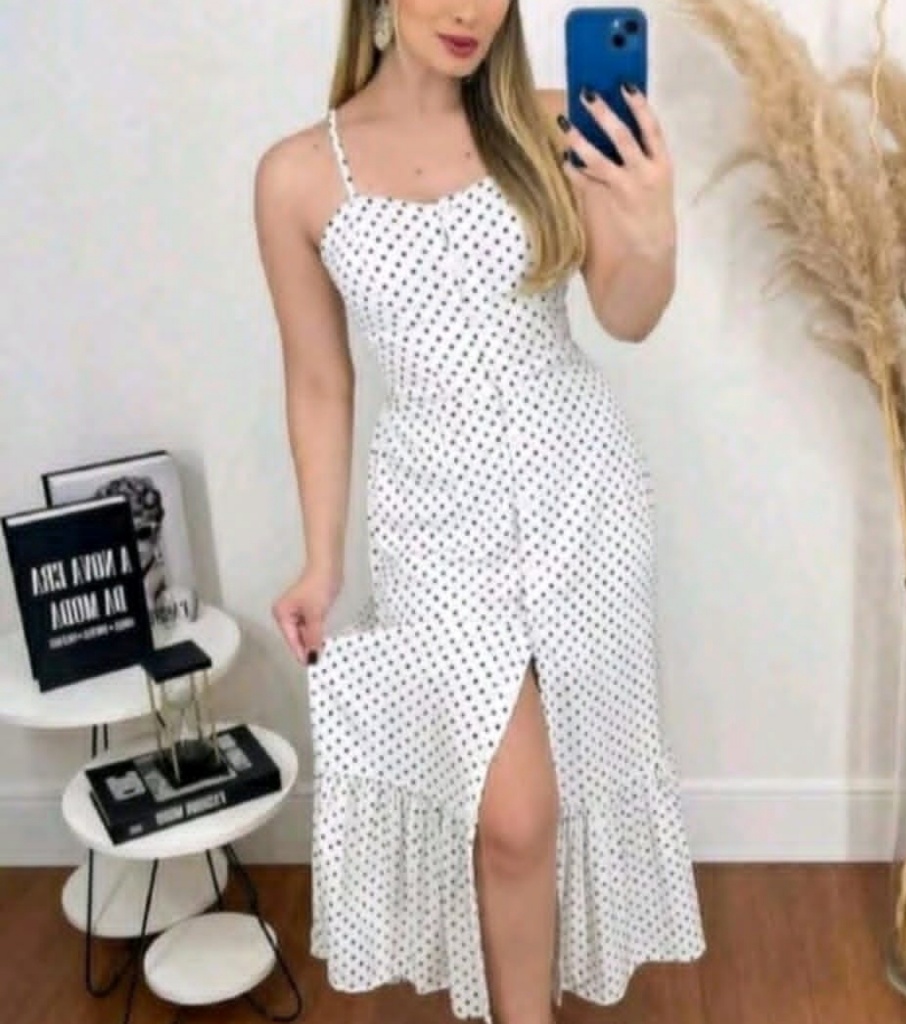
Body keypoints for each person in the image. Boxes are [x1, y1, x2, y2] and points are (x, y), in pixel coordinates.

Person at [254, 2, 705, 1023]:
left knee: (558, 793)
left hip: (581, 494)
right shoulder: (297, 176)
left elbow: (628, 314)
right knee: (510, 816)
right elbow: (319, 382)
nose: (469, 11)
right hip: (432, 517)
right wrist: (320, 563)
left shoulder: (551, 122)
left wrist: (651, 224)